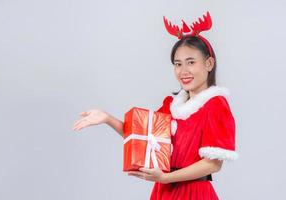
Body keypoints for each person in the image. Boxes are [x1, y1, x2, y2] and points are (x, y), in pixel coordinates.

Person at [72, 12, 238, 200]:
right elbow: (142, 138)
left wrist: (167, 177)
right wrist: (107, 119)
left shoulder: (215, 105)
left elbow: (212, 164)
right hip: (164, 191)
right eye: (178, 64)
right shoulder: (171, 106)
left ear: (209, 63)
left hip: (194, 193)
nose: (183, 71)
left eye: (191, 62)